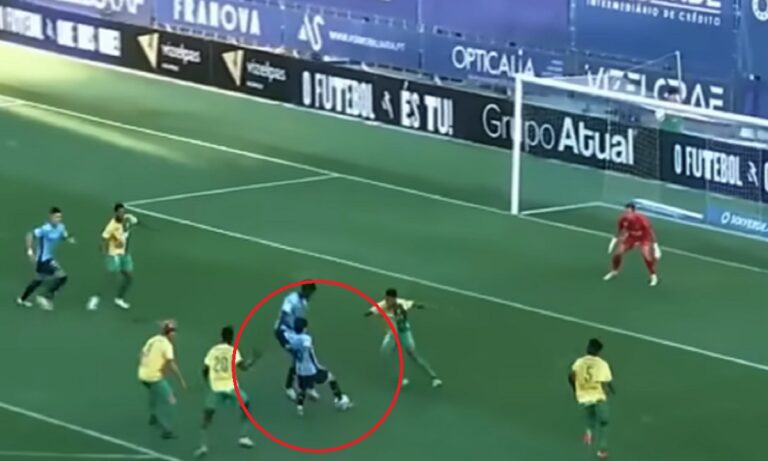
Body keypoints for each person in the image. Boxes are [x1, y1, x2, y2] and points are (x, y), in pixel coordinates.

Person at [194, 326, 258, 458]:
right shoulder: (233, 351)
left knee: (207, 415)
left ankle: (203, 445)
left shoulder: (213, 350)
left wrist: (208, 382)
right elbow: (243, 367)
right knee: (245, 405)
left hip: (216, 387)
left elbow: (205, 369)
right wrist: (252, 361)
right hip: (231, 387)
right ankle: (243, 437)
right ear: (231, 338)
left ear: (221, 336)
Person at [365, 288, 442, 388]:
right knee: (385, 353)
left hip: (404, 333)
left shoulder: (402, 303)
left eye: (389, 299)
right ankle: (400, 378)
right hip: (392, 335)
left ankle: (434, 377)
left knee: (413, 355)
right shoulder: (382, 305)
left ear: (394, 298)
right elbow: (371, 312)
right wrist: (370, 313)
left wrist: (426, 306)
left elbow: (414, 304)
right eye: (386, 298)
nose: (387, 301)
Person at [287, 318, 352, 416]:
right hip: (311, 370)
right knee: (331, 377)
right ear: (304, 328)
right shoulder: (306, 339)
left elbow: (290, 348)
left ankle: (300, 407)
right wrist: (318, 366)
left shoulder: (292, 338)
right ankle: (340, 400)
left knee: (302, 389)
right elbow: (309, 352)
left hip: (300, 370)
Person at [17, 207, 75, 310]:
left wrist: (68, 238)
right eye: (56, 217)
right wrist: (29, 251)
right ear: (51, 217)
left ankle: (22, 299)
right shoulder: (45, 229)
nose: (58, 219)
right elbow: (30, 235)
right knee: (62, 276)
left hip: (48, 257)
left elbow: (62, 235)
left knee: (39, 280)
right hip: (43, 259)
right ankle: (45, 296)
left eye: (60, 217)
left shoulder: (61, 227)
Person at [137, 320, 187, 439]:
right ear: (169, 333)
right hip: (154, 377)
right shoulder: (167, 346)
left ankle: (153, 416)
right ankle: (167, 430)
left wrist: (147, 365)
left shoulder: (153, 339)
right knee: (170, 400)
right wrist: (181, 380)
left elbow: (141, 354)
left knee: (153, 393)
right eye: (173, 331)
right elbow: (171, 364)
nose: (174, 334)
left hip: (142, 375)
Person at [569, 339, 615, 460]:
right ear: (599, 352)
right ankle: (602, 451)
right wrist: (610, 390)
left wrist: (575, 389)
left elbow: (571, 376)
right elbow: (607, 381)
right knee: (604, 421)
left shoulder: (579, 362)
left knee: (590, 415)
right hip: (597, 396)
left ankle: (589, 433)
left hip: (583, 396)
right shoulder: (602, 364)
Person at [87, 203, 139, 311]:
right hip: (114, 254)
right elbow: (103, 239)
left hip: (124, 254)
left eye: (123, 212)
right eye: (119, 212)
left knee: (129, 278)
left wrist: (134, 221)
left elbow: (133, 222)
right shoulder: (111, 226)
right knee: (110, 280)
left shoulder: (126, 219)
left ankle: (119, 299)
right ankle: (95, 298)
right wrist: (104, 251)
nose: (122, 214)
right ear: (115, 213)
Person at [274, 283, 318, 400]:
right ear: (305, 289)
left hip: (294, 333)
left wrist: (303, 331)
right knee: (298, 356)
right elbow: (284, 316)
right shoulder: (291, 299)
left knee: (306, 355)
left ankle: (307, 386)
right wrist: (286, 339)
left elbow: (299, 319)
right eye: (310, 292)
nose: (310, 295)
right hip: (283, 332)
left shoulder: (304, 302)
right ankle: (290, 387)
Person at [604, 203, 662, 286]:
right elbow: (619, 230)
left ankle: (653, 276)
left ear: (634, 212)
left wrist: (656, 247)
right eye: (626, 212)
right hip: (631, 238)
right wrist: (613, 241)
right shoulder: (622, 219)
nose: (627, 214)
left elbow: (651, 231)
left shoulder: (642, 219)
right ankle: (614, 271)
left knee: (647, 256)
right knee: (617, 253)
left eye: (629, 212)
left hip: (644, 238)